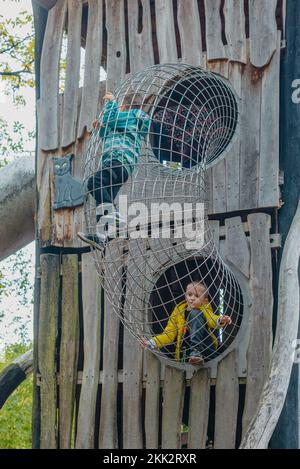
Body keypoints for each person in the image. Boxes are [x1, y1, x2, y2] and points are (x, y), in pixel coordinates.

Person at [78, 91, 151, 250]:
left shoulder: (134, 115)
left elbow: (112, 119)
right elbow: (109, 133)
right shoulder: (124, 122)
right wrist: (102, 128)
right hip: (121, 166)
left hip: (118, 160)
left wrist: (111, 103)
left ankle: (114, 216)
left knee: (94, 183)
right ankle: (102, 236)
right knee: (104, 199)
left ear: (123, 106)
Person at [140, 281, 232, 366]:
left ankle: (196, 351)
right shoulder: (179, 309)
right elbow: (169, 334)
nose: (192, 298)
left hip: (204, 347)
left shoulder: (205, 308)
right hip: (186, 350)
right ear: (185, 295)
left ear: (204, 300)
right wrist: (151, 343)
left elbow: (212, 319)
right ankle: (192, 357)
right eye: (189, 294)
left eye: (197, 296)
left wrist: (220, 320)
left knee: (195, 313)